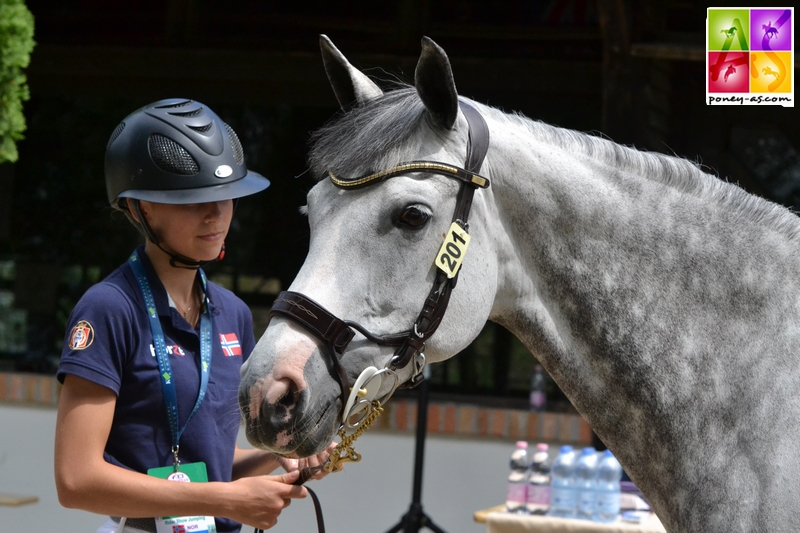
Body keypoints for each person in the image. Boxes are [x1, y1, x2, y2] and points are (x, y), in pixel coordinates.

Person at [54, 98, 331, 533]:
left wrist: (279, 455)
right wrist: (224, 499)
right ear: (140, 208)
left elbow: (208, 463)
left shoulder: (234, 314)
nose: (216, 215)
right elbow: (76, 480)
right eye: (192, 200)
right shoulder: (109, 308)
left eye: (226, 197)